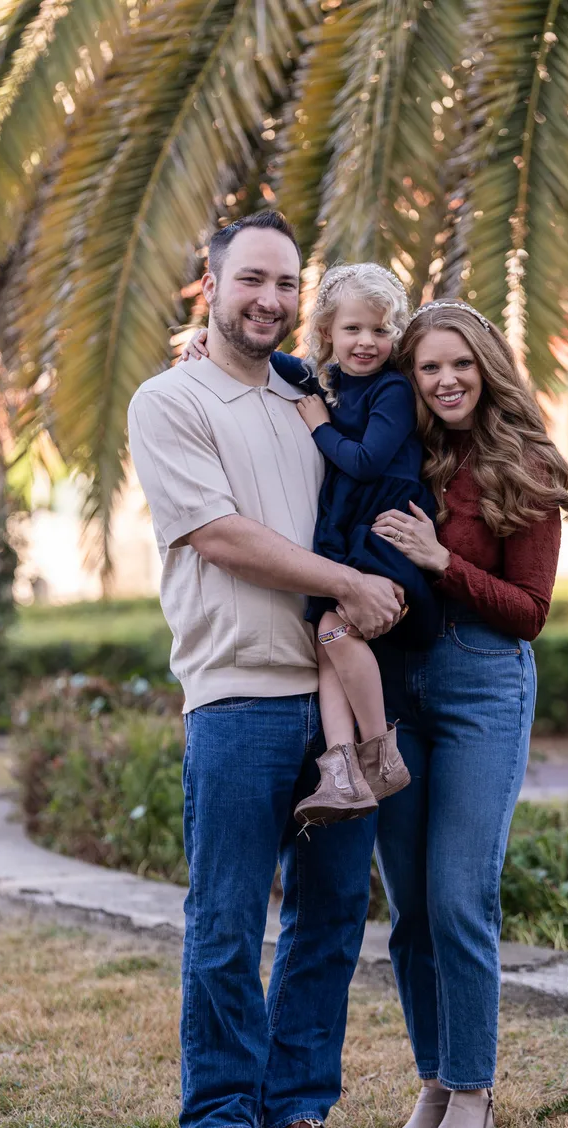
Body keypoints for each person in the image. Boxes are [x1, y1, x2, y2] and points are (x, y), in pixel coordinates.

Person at [127, 211, 403, 1128]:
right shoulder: (170, 400)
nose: (270, 299)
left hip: (336, 699)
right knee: (229, 917)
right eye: (251, 279)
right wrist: (347, 583)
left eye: (286, 284)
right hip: (238, 695)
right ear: (211, 285)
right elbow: (219, 535)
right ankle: (221, 1112)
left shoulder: (310, 396)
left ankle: (297, 1105)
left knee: (329, 919)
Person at [369, 300, 568, 1128]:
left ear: (488, 367)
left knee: (459, 896)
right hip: (393, 683)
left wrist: (440, 560)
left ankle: (472, 1092)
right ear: (411, 377)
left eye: (461, 363)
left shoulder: (524, 462)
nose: (446, 379)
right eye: (429, 366)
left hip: (481, 684)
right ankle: (433, 1080)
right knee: (409, 909)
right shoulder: (398, 451)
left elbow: (530, 612)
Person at [186, 262, 440, 828]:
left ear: (395, 334)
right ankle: (341, 770)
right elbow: (274, 361)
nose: (366, 341)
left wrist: (319, 426)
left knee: (335, 631)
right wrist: (208, 338)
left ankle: (380, 752)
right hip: (346, 533)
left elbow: (366, 461)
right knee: (328, 640)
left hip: (383, 530)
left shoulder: (392, 389)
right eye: (352, 329)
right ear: (327, 330)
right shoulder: (324, 379)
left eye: (380, 330)